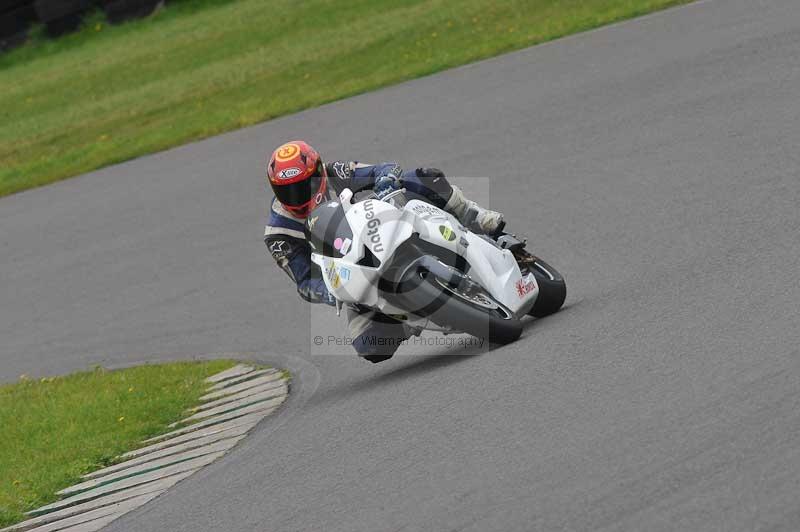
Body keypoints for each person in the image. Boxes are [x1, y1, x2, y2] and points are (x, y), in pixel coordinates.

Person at [264, 140, 504, 363]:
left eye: (305, 186)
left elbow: (384, 169)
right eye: (288, 192)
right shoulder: (278, 233)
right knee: (369, 345)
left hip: (385, 230)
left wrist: (385, 182)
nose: (298, 196)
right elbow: (305, 282)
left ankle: (476, 217)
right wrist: (332, 292)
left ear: (318, 173)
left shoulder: (336, 172)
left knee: (422, 178)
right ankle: (411, 317)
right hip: (355, 274)